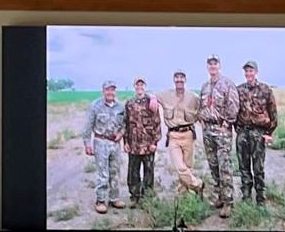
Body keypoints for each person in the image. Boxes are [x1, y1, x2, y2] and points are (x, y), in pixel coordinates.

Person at [195, 54, 240, 217]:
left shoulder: (227, 84)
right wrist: (201, 119)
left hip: (222, 132)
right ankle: (220, 196)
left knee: (224, 166)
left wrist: (227, 124)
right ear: (207, 67)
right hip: (208, 132)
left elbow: (234, 105)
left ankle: (228, 202)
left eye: (215, 64)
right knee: (213, 165)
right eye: (210, 64)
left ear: (219, 66)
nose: (212, 66)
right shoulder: (205, 86)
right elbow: (201, 105)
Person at [234, 58, 278, 205]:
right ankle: (246, 196)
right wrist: (238, 130)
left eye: (251, 70)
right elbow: (234, 111)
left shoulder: (265, 90)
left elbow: (273, 113)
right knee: (243, 167)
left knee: (258, 168)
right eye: (246, 71)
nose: (248, 73)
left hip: (258, 134)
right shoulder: (239, 90)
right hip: (243, 134)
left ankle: (260, 198)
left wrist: (268, 133)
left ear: (256, 72)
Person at [84, 80, 127, 214]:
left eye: (112, 89)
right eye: (108, 90)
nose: (110, 92)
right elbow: (88, 126)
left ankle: (114, 198)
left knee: (115, 171)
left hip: (115, 143)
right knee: (103, 172)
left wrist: (121, 133)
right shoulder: (96, 106)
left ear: (115, 91)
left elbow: (125, 124)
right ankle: (101, 200)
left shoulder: (120, 107)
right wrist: (87, 143)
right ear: (103, 91)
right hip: (100, 142)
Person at [160, 70, 204, 194]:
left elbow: (202, 113)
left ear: (185, 80)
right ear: (174, 80)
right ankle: (198, 184)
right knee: (180, 167)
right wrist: (152, 99)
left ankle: (183, 193)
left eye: (182, 78)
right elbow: (152, 96)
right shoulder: (165, 95)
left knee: (187, 167)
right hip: (173, 136)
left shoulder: (194, 97)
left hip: (188, 135)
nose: (179, 80)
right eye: (177, 77)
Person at [122, 77, 163, 206]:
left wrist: (154, 142)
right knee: (133, 171)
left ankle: (147, 197)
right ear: (134, 86)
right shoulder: (129, 103)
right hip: (134, 144)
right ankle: (134, 196)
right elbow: (126, 124)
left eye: (142, 84)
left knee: (149, 171)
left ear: (145, 86)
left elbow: (157, 122)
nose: (139, 87)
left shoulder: (151, 102)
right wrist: (126, 142)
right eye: (137, 84)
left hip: (148, 144)